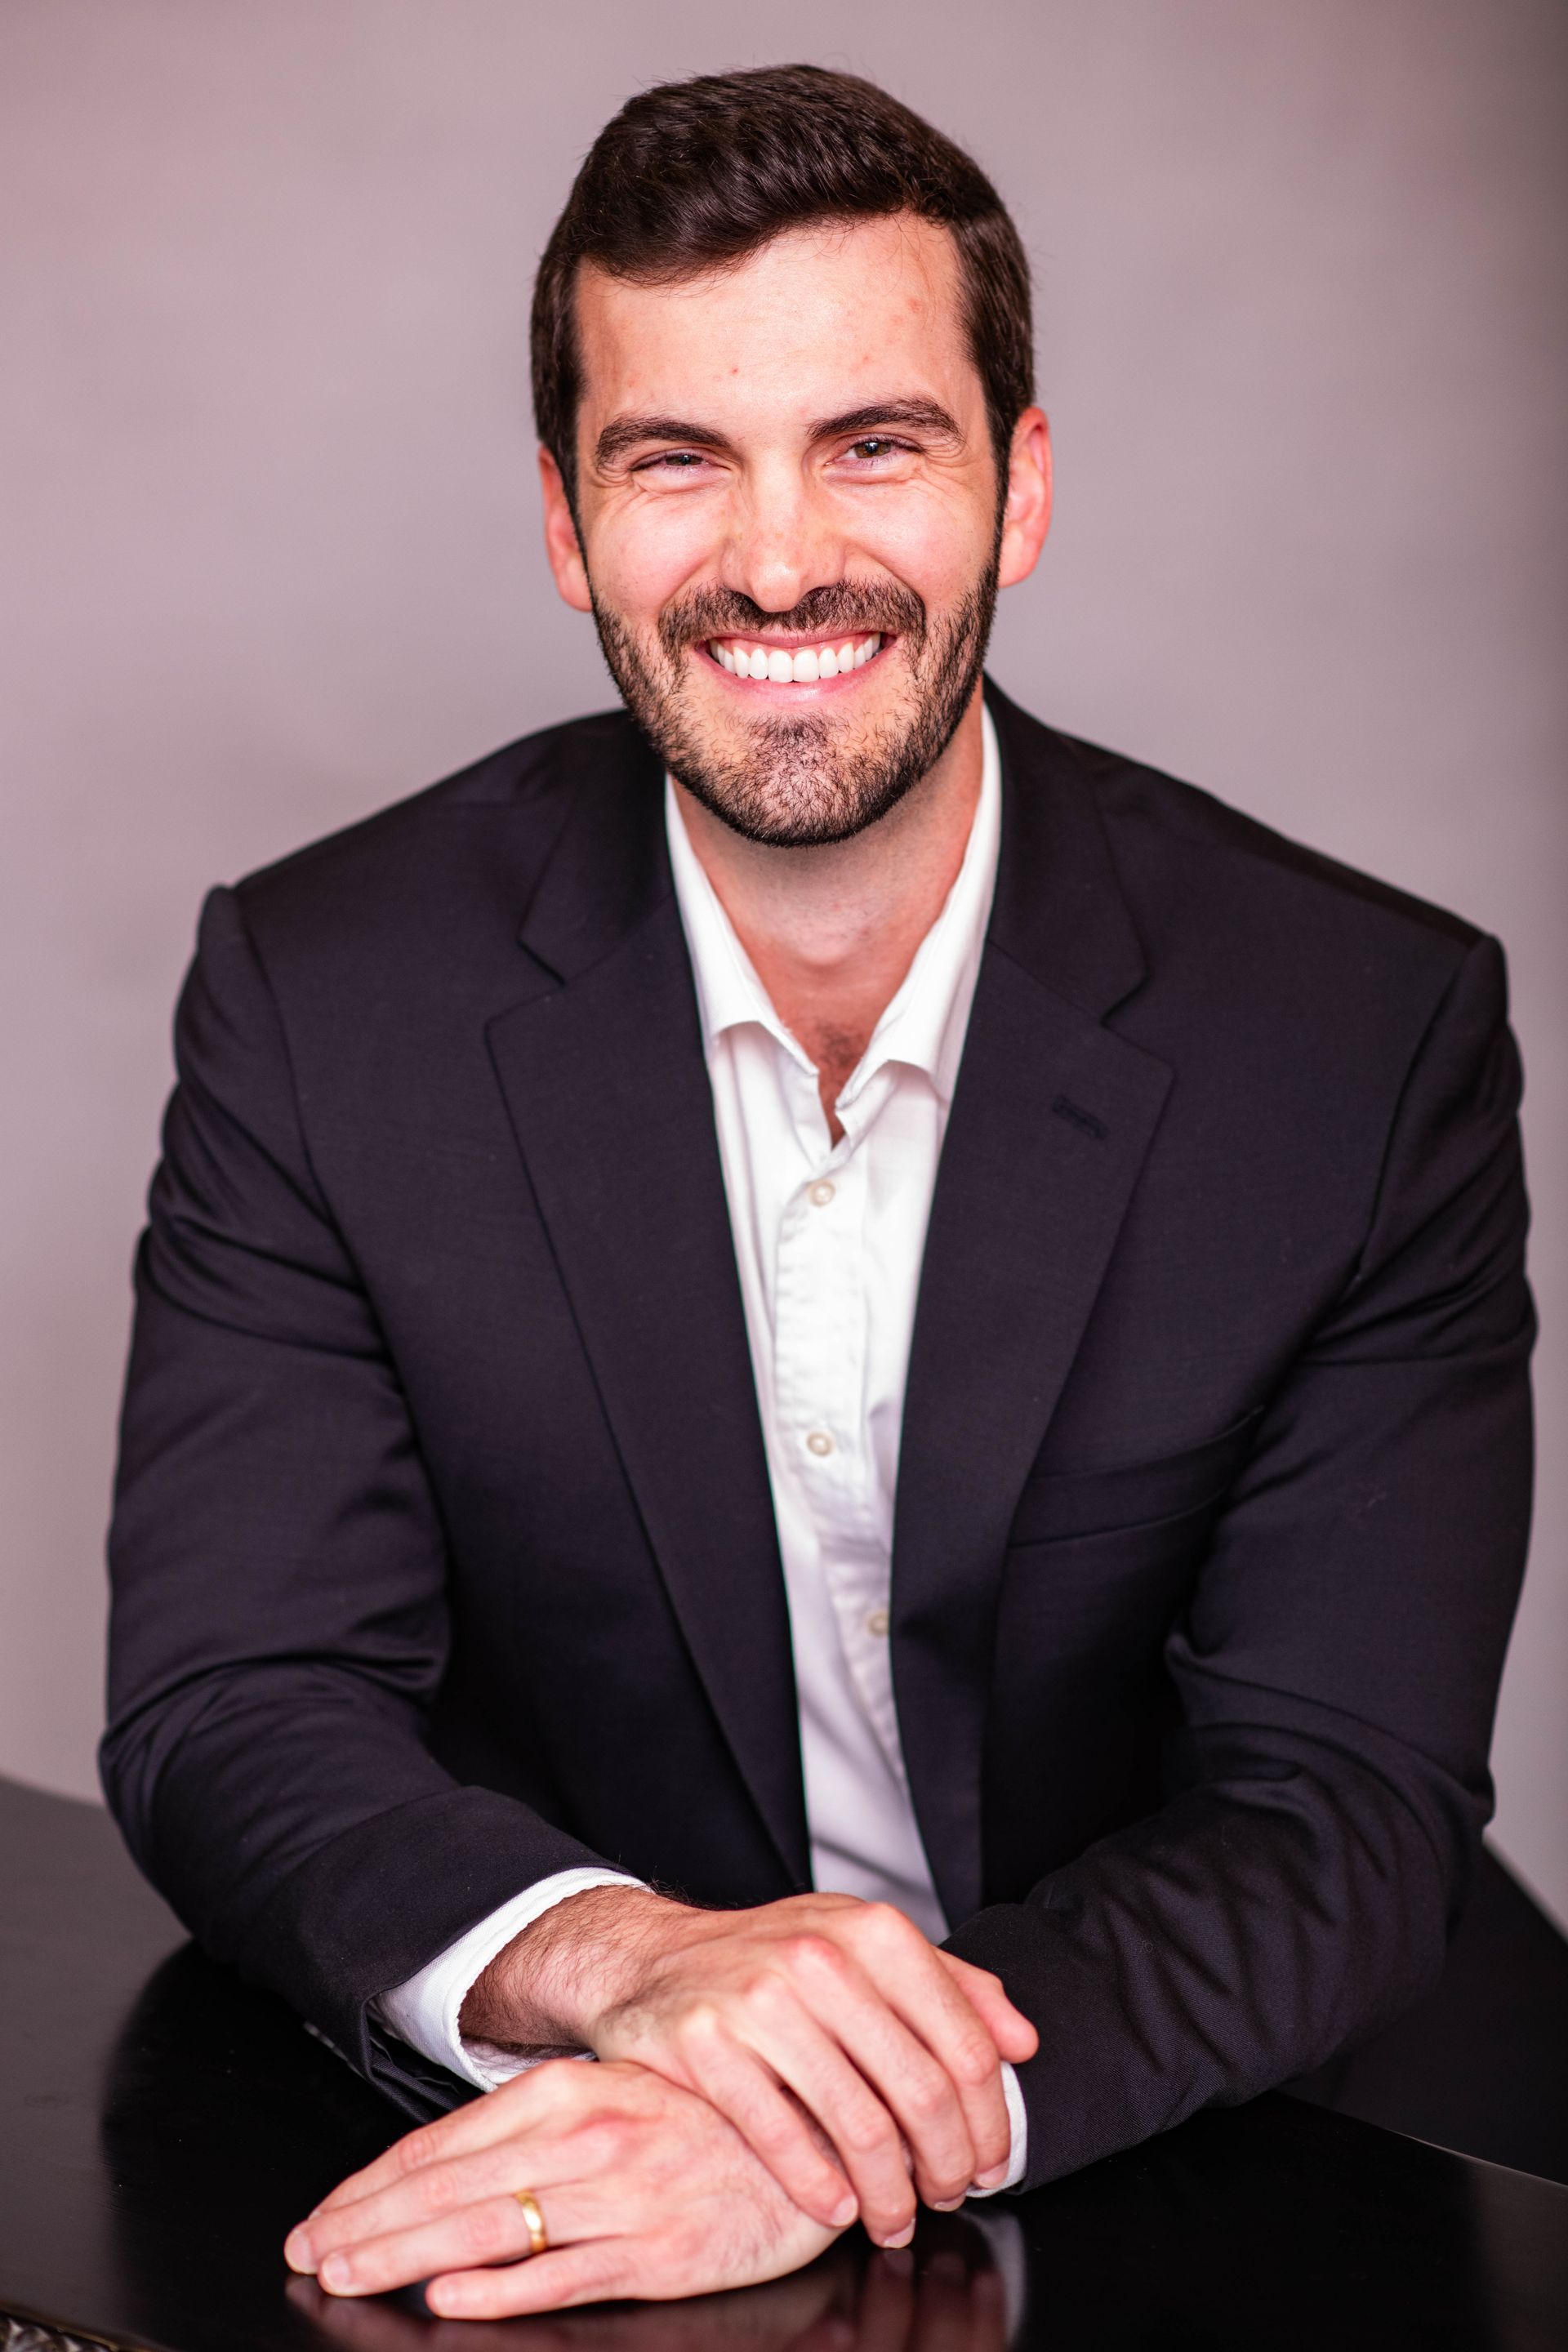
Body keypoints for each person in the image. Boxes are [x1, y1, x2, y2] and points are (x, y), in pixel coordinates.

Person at [101, 63, 1533, 2323]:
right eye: (678, 461)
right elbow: (236, 1703)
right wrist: (629, 1962)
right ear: (569, 526)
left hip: (1229, 2106)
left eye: (876, 445)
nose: (781, 560)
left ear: (1021, 487)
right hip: (588, 2073)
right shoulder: (320, 995)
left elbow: (1338, 1808)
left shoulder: (1360, 1036)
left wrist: (826, 2117)